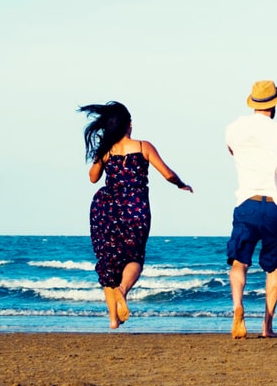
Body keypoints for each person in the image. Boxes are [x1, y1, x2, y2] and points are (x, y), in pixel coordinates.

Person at [79, 101, 192, 329]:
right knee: (134, 256)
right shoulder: (143, 147)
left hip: (106, 207)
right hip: (135, 207)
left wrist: (100, 155)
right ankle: (123, 290)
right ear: (129, 125)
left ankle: (113, 319)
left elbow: (93, 178)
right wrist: (181, 184)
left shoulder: (107, 151)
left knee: (108, 263)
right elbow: (167, 173)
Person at [225, 79, 277, 339]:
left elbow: (232, 152)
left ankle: (238, 307)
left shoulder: (234, 128)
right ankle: (266, 326)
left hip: (246, 202)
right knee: (274, 267)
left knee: (239, 263)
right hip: (276, 205)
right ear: (275, 103)